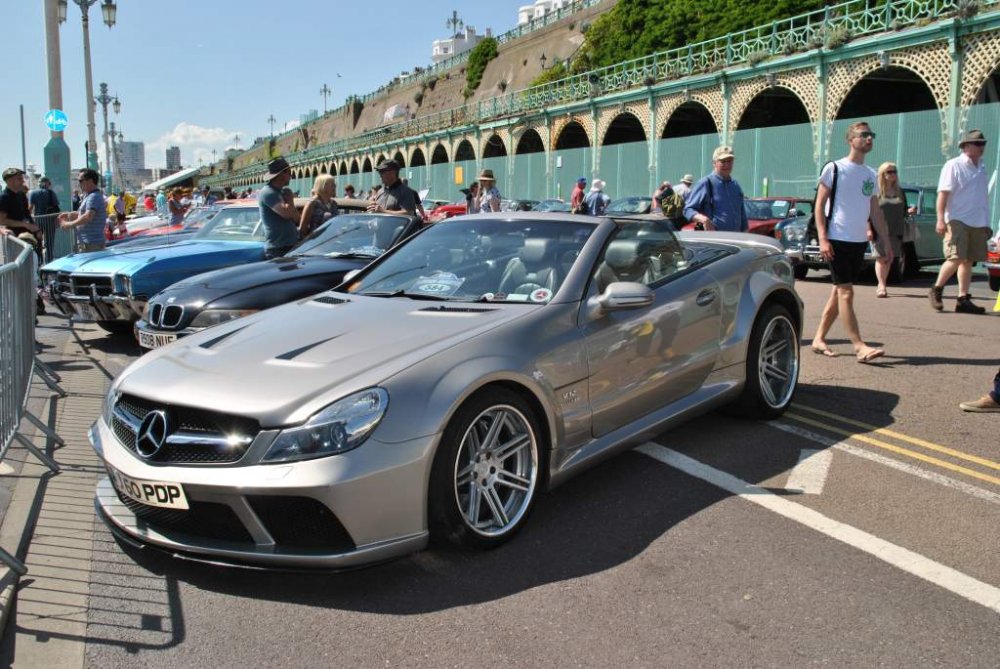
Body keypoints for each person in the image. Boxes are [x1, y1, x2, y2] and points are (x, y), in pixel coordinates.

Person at [810, 121, 891, 363]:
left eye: (871, 135)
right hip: (837, 239)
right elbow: (818, 206)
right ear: (850, 140)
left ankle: (818, 339)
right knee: (846, 293)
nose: (869, 138)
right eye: (864, 135)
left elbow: (875, 211)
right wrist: (823, 238)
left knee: (838, 291)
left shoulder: (870, 174)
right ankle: (859, 346)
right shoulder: (834, 168)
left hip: (858, 241)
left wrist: (886, 241)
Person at [928, 129, 991, 314]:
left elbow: (982, 197)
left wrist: (986, 222)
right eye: (978, 144)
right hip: (957, 219)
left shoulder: (981, 166)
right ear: (966, 146)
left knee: (968, 261)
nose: (981, 147)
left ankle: (963, 299)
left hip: (977, 221)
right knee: (956, 257)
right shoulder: (953, 165)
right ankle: (936, 289)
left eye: (983, 143)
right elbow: (943, 194)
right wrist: (940, 219)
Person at [683, 147, 749, 232]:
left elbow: (742, 213)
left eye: (729, 161)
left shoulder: (735, 185)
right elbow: (687, 209)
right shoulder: (706, 183)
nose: (727, 165)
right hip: (715, 238)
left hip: (735, 238)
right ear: (714, 163)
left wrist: (745, 231)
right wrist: (703, 219)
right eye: (723, 161)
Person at [873, 162, 909, 297]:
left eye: (894, 171)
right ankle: (881, 285)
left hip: (896, 229)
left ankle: (882, 282)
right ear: (882, 174)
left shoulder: (900, 192)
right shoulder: (877, 192)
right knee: (881, 257)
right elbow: (868, 211)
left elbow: (904, 210)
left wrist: (909, 211)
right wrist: (868, 229)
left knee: (889, 258)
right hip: (879, 229)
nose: (893, 174)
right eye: (889, 172)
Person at [259, 157, 301, 258]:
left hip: (289, 245)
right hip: (277, 249)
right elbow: (286, 214)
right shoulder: (268, 192)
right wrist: (290, 199)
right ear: (282, 174)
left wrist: (290, 202)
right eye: (289, 172)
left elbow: (296, 218)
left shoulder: (282, 192)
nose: (291, 175)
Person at [56, 168, 107, 252]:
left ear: (90, 181)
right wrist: (69, 215)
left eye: (80, 181)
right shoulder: (89, 196)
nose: (79, 183)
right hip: (88, 243)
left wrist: (68, 224)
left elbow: (88, 216)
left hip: (92, 244)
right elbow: (84, 213)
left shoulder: (93, 197)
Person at [0, 168, 42, 248]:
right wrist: (25, 225)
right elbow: (2, 220)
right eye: (19, 179)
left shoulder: (21, 195)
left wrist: (37, 229)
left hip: (29, 237)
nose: (22, 181)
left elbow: (27, 213)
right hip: (15, 239)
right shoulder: (4, 197)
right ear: (10, 181)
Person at [299, 173, 339, 238]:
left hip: (332, 240)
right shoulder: (312, 203)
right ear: (323, 186)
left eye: (335, 184)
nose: (335, 187)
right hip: (317, 241)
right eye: (332, 184)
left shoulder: (334, 204)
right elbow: (302, 229)